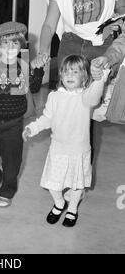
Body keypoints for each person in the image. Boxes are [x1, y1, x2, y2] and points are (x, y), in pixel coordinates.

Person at [23, 55, 109, 227]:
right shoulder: (54, 97)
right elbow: (47, 118)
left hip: (79, 150)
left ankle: (72, 209)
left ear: (84, 77)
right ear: (61, 75)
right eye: (66, 71)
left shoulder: (85, 97)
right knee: (53, 183)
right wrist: (32, 128)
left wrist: (100, 79)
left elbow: (95, 96)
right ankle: (60, 203)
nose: (70, 75)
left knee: (77, 184)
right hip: (58, 149)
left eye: (75, 72)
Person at [0, 21, 45, 208]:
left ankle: (7, 191)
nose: (10, 47)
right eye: (5, 43)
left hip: (14, 123)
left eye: (15, 43)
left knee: (12, 161)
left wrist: (37, 69)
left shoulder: (24, 67)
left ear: (21, 47)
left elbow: (35, 87)